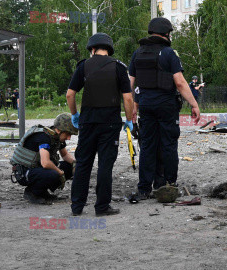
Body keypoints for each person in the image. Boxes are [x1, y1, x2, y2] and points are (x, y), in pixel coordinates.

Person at [128, 17, 200, 200]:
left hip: (145, 105)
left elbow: (130, 84)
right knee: (168, 145)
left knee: (147, 146)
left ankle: (144, 188)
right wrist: (194, 104)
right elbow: (180, 83)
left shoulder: (137, 54)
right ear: (166, 34)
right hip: (166, 106)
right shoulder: (169, 53)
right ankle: (169, 184)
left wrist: (133, 108)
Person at [66, 32, 134, 216]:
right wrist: (129, 119)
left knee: (83, 163)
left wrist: (75, 115)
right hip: (110, 123)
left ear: (92, 49)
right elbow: (127, 98)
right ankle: (102, 207)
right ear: (109, 50)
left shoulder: (83, 66)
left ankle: (77, 207)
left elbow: (70, 94)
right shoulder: (118, 67)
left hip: (87, 122)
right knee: (105, 164)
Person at [10, 113, 77, 204]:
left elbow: (65, 155)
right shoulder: (44, 137)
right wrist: (60, 173)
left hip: (36, 169)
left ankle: (42, 192)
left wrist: (76, 164)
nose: (69, 138)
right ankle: (32, 192)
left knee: (68, 166)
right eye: (68, 134)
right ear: (59, 130)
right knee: (54, 174)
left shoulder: (56, 137)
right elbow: (45, 163)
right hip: (24, 172)